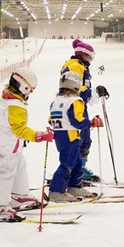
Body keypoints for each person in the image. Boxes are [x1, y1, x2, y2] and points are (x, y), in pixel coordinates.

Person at [0, 67, 53, 221]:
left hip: (5, 138)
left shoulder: (9, 98)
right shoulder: (14, 105)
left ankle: (19, 195)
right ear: (22, 86)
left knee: (20, 165)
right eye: (29, 90)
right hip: (8, 142)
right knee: (7, 171)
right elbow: (20, 129)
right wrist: (38, 136)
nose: (30, 93)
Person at [60, 38, 108, 184]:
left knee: (85, 139)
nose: (91, 59)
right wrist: (90, 92)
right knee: (79, 140)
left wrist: (94, 92)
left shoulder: (81, 66)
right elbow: (72, 87)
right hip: (74, 107)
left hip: (80, 105)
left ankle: (79, 168)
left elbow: (82, 88)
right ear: (82, 54)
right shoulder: (74, 66)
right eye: (90, 56)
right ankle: (74, 170)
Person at [47, 71, 96, 202]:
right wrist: (90, 123)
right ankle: (56, 191)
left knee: (76, 161)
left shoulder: (56, 101)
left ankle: (74, 186)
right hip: (70, 136)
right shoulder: (75, 101)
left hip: (60, 136)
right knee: (67, 164)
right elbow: (77, 121)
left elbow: (50, 119)